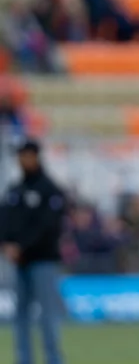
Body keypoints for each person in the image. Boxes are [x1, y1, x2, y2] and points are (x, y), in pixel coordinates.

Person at [0, 138, 66, 364]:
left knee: (47, 315)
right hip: (19, 262)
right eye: (20, 155)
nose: (23, 159)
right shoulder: (15, 190)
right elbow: (5, 222)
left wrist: (20, 246)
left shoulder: (50, 190)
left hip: (43, 260)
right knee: (20, 317)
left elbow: (47, 226)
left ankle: (53, 359)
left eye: (26, 154)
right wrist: (6, 244)